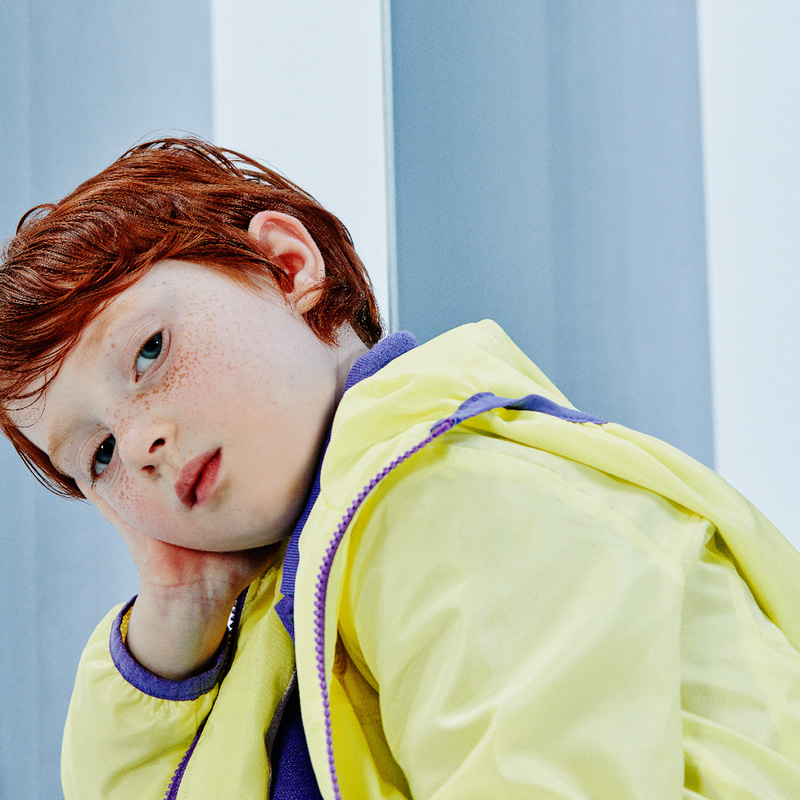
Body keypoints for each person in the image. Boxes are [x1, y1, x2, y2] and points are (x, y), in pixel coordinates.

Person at [2, 137, 800, 800]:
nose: (139, 443)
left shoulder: (455, 496)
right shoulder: (283, 601)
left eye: (150, 351)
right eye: (97, 455)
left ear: (287, 268)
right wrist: (177, 625)